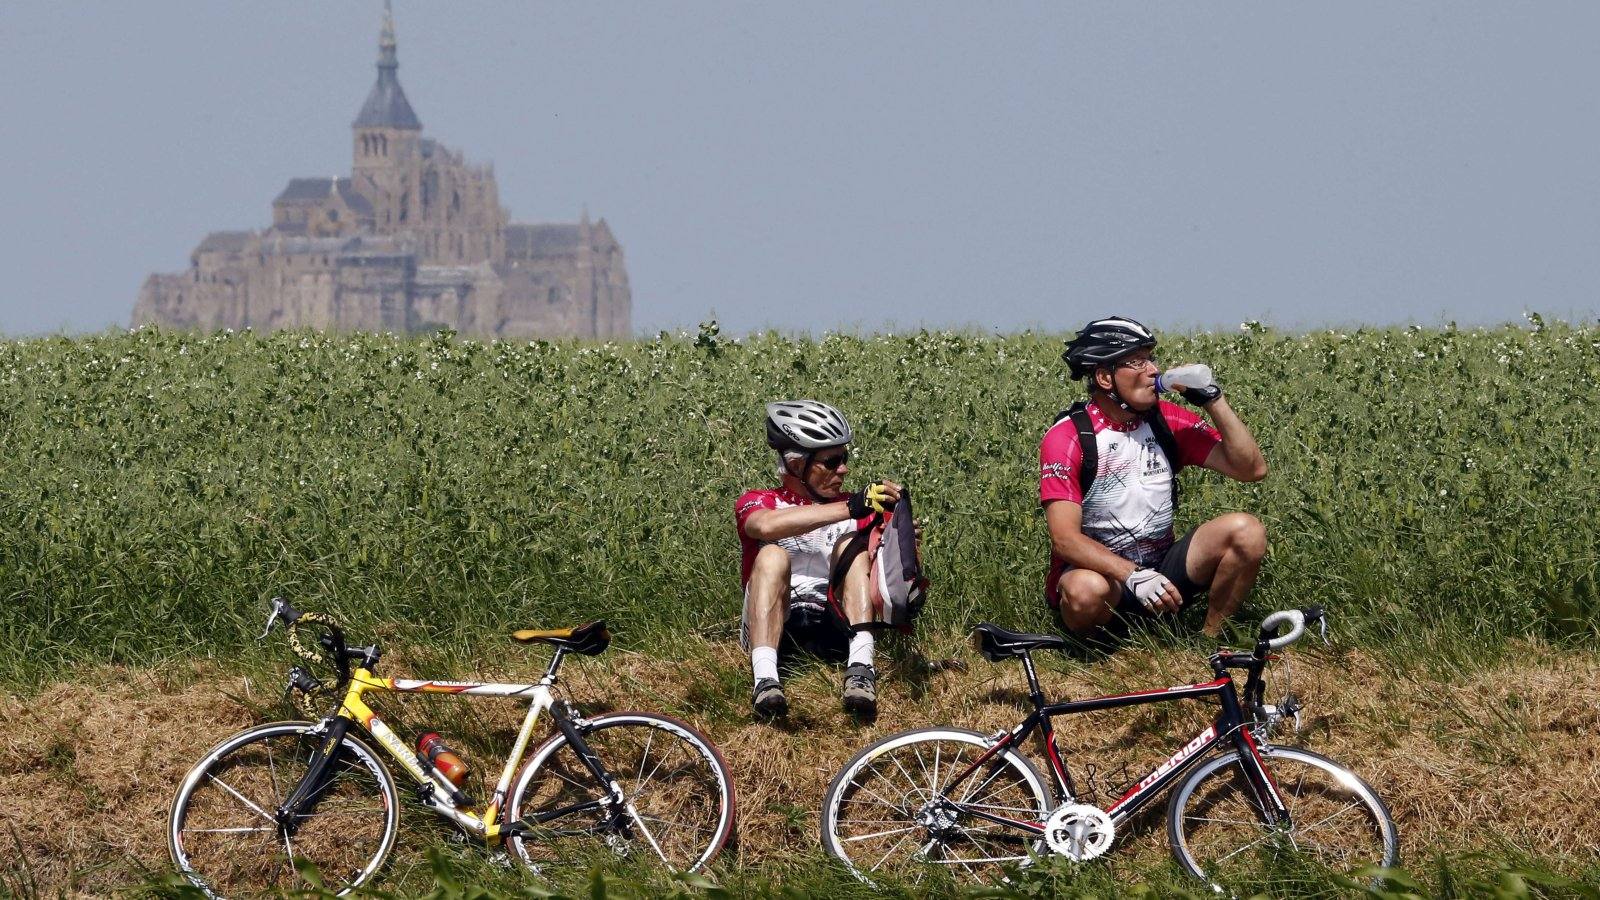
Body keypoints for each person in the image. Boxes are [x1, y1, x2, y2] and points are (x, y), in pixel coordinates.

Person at [1041, 316, 1268, 645]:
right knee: (1084, 591)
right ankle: (1097, 648)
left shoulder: (1167, 421)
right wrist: (1133, 575)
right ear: (1105, 378)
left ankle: (1207, 642)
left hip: (1162, 571)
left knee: (1247, 532)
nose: (1153, 370)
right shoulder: (1069, 436)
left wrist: (1214, 401)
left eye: (1151, 358)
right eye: (1137, 361)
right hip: (1106, 579)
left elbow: (1251, 469)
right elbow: (1065, 541)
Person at [737, 400, 902, 718]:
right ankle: (765, 680)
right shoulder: (760, 500)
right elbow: (764, 526)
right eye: (832, 461)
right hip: (776, 627)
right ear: (798, 465)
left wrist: (900, 539)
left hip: (836, 628)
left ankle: (861, 669)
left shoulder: (861, 507)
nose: (844, 469)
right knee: (772, 554)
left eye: (845, 458)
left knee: (851, 546)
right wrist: (851, 508)